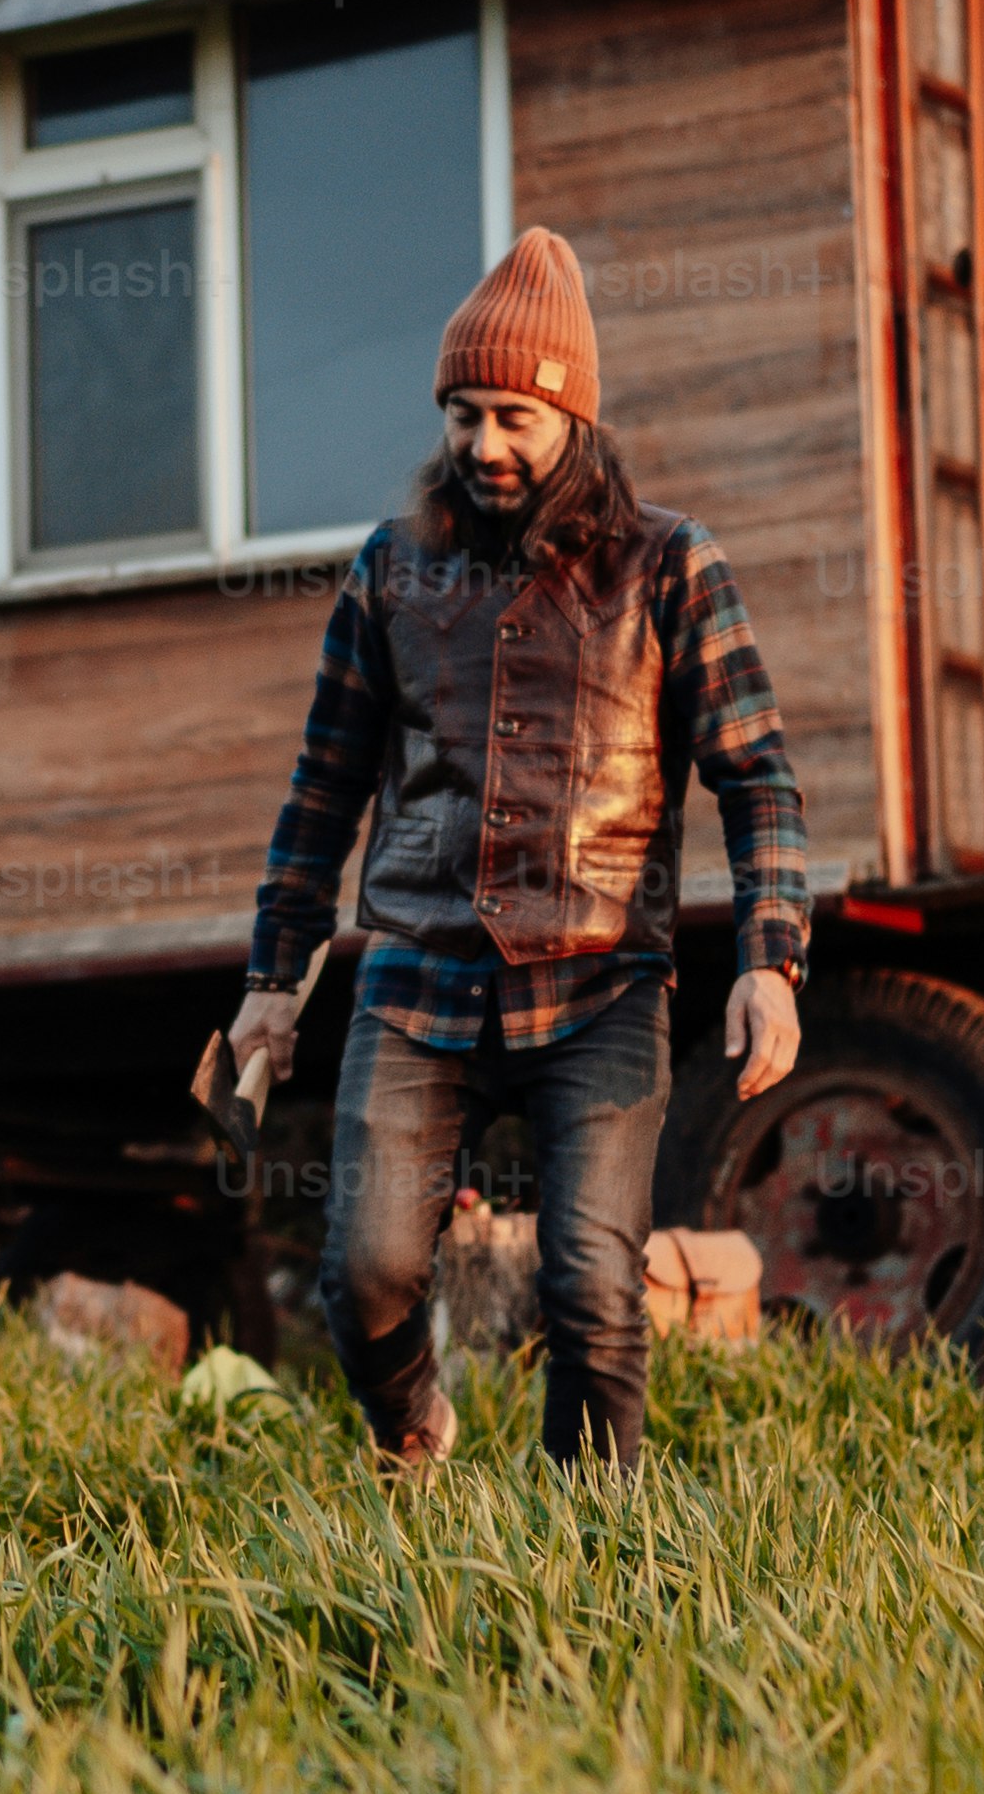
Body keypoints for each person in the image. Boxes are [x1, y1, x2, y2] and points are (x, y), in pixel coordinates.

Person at [220, 230, 812, 1470]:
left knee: (592, 1292)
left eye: (512, 418)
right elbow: (322, 785)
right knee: (365, 1271)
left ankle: (586, 1552)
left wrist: (769, 957)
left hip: (600, 981)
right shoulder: (391, 572)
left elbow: (754, 774)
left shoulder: (670, 565)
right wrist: (273, 984)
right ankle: (413, 1438)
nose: (482, 445)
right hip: (416, 973)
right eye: (462, 413)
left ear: (572, 423)